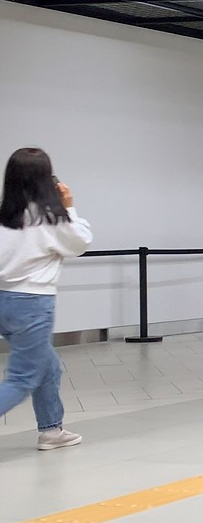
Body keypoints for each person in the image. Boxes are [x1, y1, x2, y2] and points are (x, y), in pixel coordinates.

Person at [0, 148, 93, 450]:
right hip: (31, 304)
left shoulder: (4, 216)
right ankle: (51, 430)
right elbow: (80, 242)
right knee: (21, 379)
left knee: (47, 364)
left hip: (3, 301)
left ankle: (51, 429)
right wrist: (69, 207)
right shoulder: (50, 219)